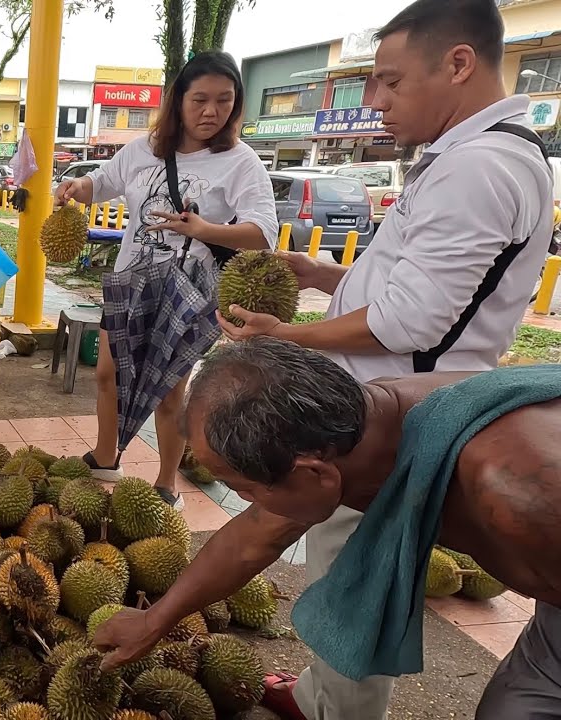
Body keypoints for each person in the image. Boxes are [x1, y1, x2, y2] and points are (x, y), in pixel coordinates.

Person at [210, 2, 555, 717]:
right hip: (383, 396)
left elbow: (409, 319)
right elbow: (418, 285)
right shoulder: (463, 159)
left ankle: (339, 712)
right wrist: (323, 275)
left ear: (458, 64)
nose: (374, 101)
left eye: (391, 82)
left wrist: (280, 335)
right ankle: (317, 694)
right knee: (340, 568)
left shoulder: (481, 168)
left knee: (351, 570)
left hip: (397, 418)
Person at [92, 337, 561, 718]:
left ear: (313, 473)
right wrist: (155, 619)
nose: (243, 502)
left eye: (245, 489)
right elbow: (252, 539)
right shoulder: (359, 426)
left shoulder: (519, 497)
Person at [55, 51, 277, 508]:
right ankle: (105, 456)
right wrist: (77, 189)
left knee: (168, 389)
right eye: (199, 100)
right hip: (132, 282)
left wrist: (204, 230)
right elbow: (102, 182)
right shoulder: (145, 148)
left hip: (188, 292)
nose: (210, 112)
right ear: (178, 101)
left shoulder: (241, 161)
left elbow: (263, 233)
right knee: (107, 373)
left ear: (235, 106)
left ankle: (166, 482)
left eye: (223, 101)